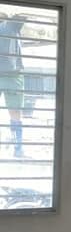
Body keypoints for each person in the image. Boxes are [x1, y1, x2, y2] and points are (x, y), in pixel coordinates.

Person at [0, 15, 27, 158]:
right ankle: (18, 149)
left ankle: (18, 148)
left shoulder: (10, 24)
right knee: (15, 113)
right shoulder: (10, 25)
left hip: (13, 74)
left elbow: (21, 14)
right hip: (14, 74)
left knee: (15, 112)